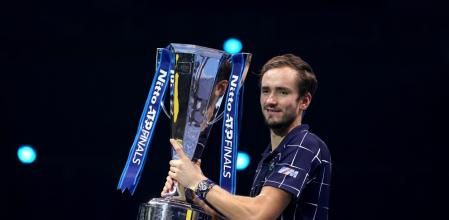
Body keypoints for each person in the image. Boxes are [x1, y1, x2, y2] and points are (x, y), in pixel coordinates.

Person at [162, 54, 332, 220]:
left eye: (283, 92)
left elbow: (259, 214)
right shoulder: (272, 155)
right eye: (266, 91)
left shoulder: (305, 144)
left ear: (304, 101)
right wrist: (200, 202)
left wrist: (199, 182)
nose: (270, 100)